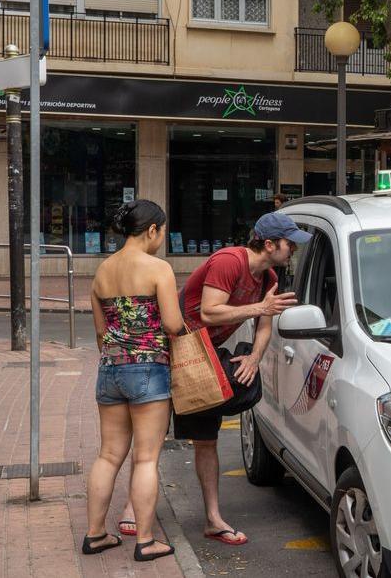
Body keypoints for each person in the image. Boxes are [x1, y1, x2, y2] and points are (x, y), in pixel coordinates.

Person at [126, 211, 306, 546]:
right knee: (151, 436)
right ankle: (130, 510)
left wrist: (254, 357)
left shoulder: (267, 278)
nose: (292, 250)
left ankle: (213, 519)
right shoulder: (229, 261)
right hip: (172, 352)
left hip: (203, 360)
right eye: (289, 244)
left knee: (206, 440)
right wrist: (258, 310)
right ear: (269, 244)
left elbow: (266, 324)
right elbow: (210, 311)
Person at [83, 200, 183, 562]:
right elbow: (172, 325)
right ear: (152, 230)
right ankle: (145, 540)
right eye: (160, 233)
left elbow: (99, 331)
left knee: (108, 456)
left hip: (109, 369)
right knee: (145, 459)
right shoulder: (159, 269)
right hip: (148, 370)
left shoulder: (102, 271)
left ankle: (95, 535)